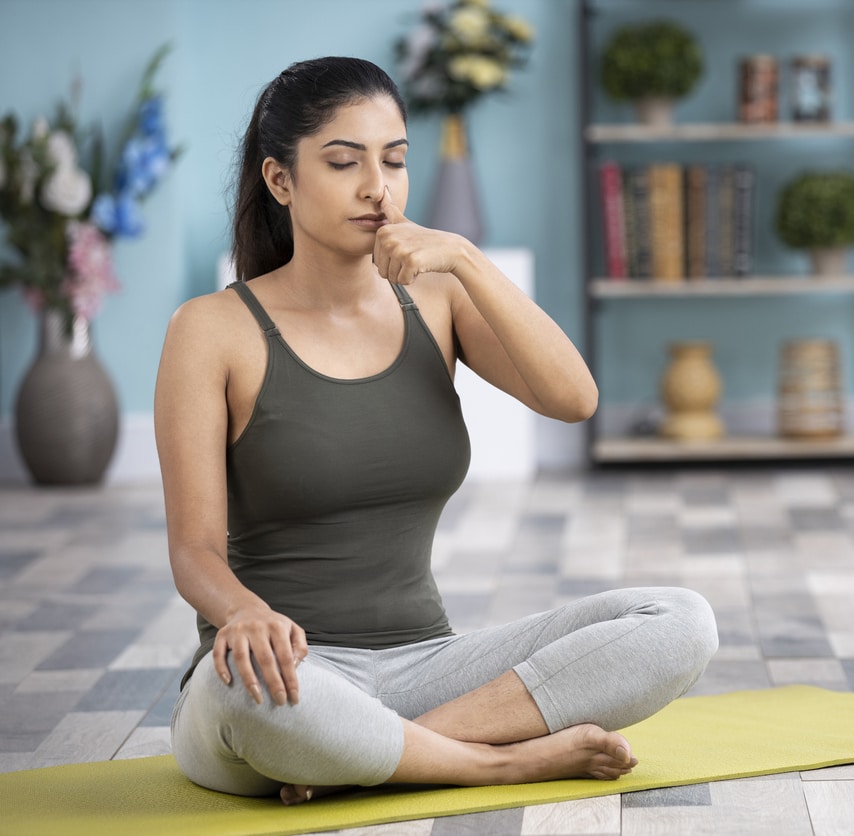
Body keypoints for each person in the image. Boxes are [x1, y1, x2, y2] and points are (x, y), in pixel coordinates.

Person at [154, 56, 718, 804]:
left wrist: (466, 259)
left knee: (681, 621)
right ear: (280, 180)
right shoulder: (212, 330)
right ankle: (493, 760)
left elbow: (575, 397)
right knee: (243, 702)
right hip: (290, 679)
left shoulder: (438, 301)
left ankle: (384, 751)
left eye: (394, 160)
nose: (376, 187)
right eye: (343, 162)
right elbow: (193, 549)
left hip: (428, 667)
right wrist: (246, 615)